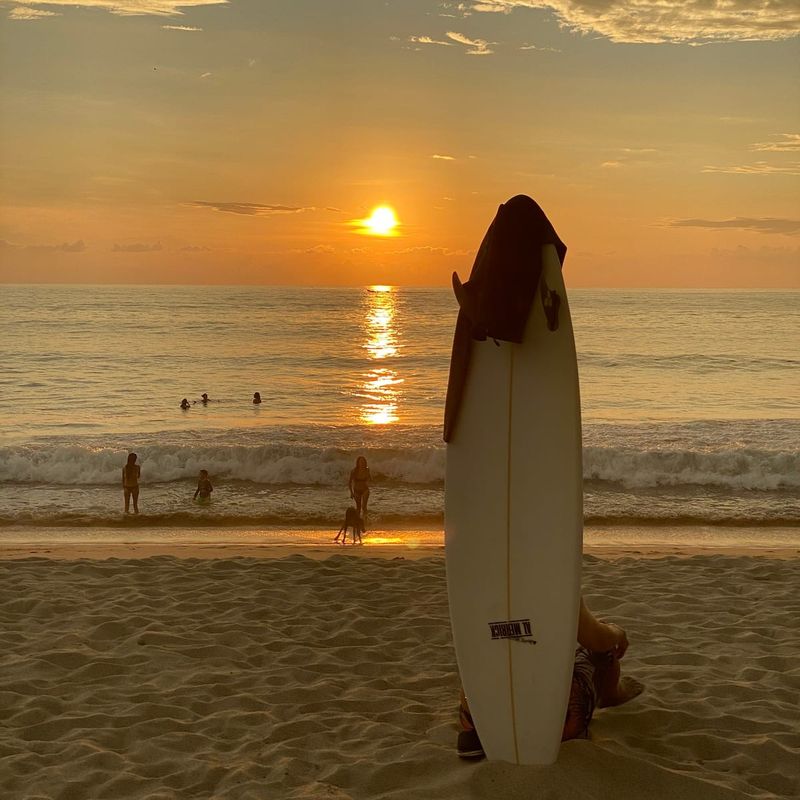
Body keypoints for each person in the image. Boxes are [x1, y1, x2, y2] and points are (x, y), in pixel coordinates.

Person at [456, 597, 644, 759]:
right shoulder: (554, 572)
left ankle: (476, 727)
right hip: (553, 723)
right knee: (602, 649)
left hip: (477, 718)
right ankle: (612, 694)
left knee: (496, 648)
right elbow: (598, 640)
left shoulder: (470, 576)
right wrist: (616, 630)